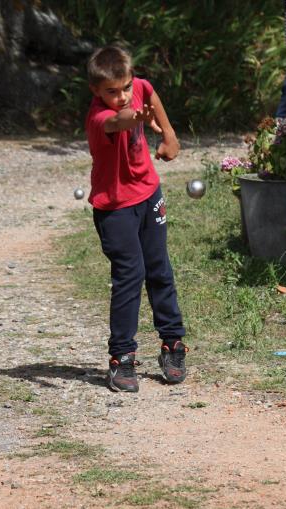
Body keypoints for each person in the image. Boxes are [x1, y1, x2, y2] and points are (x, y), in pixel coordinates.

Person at [85, 45, 187, 393]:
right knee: (131, 275)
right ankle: (122, 359)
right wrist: (135, 116)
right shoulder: (101, 118)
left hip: (149, 195)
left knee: (159, 269)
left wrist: (169, 135)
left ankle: (173, 345)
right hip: (115, 208)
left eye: (125, 88)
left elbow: (149, 92)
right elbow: (119, 120)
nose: (122, 95)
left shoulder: (137, 88)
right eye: (111, 91)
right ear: (96, 91)